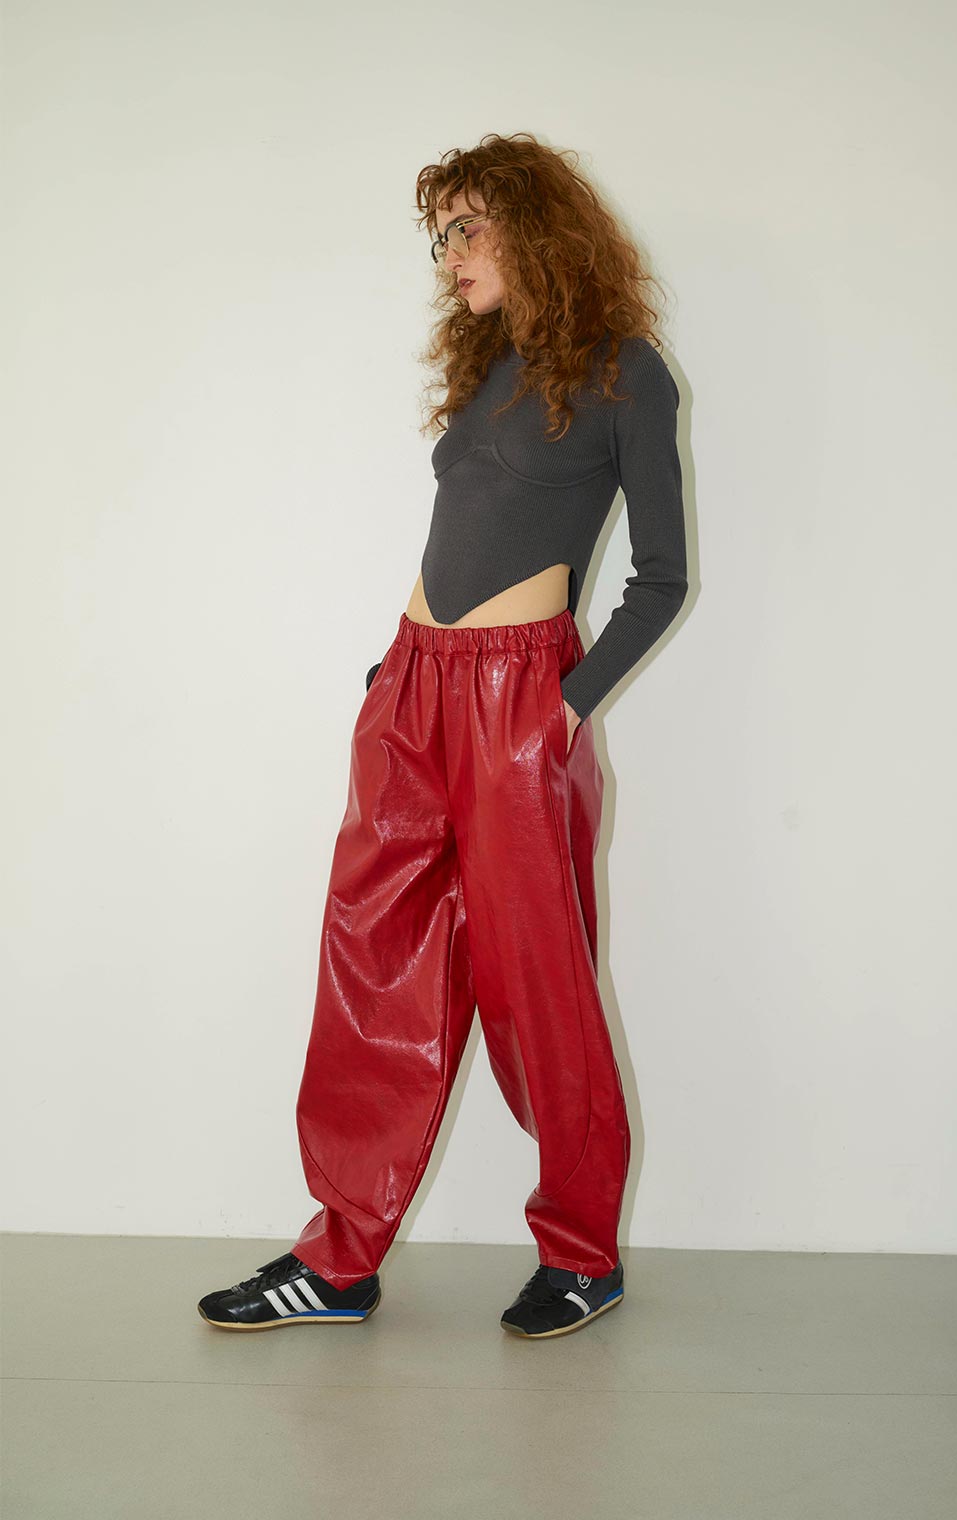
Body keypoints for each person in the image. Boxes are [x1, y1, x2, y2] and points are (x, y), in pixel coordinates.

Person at [198, 131, 688, 1341]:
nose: (449, 253)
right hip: (412, 689)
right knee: (370, 960)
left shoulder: (625, 371)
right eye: (441, 235)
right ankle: (339, 1257)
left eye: (469, 227)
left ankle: (582, 1253)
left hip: (520, 704)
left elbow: (662, 579)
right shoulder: (491, 366)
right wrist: (392, 678)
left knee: (537, 987)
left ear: (537, 228)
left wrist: (562, 706)